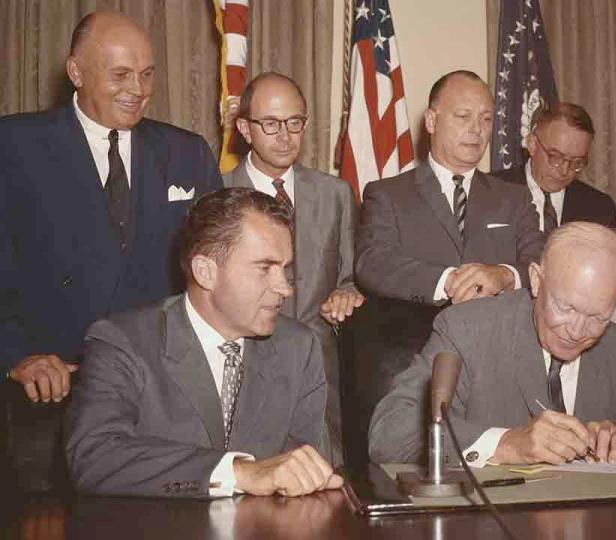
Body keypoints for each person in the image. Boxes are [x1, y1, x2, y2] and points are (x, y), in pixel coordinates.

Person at [0, 11, 222, 402]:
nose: (138, 89)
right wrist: (16, 355)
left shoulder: (188, 152)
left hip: (162, 386)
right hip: (53, 385)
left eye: (147, 74)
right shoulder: (14, 145)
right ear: (76, 72)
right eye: (120, 75)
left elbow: (217, 270)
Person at [66, 188, 341, 497]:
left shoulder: (298, 348)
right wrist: (237, 472)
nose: (285, 288)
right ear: (205, 272)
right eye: (265, 268)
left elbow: (309, 470)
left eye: (285, 269)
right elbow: (93, 457)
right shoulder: (123, 342)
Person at [350, 70, 544, 453]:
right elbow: (373, 261)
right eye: (464, 116)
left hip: (498, 361)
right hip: (415, 357)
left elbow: (541, 260)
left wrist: (503, 276)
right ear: (433, 121)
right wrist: (449, 280)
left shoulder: (514, 198)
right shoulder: (388, 194)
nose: (477, 130)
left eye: (486, 119)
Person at [369, 222, 616, 466]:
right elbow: (390, 435)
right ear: (536, 280)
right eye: (566, 308)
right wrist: (507, 444)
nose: (577, 331)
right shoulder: (467, 330)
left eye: (598, 316)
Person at [224, 72, 362, 465]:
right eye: (270, 123)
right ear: (245, 129)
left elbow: (351, 275)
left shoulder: (335, 194)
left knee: (325, 481)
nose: (285, 135)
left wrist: (346, 291)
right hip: (246, 365)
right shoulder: (216, 193)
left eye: (295, 122)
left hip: (319, 368)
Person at [492, 102, 616, 231]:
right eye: (555, 157)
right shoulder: (490, 193)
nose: (564, 171)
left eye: (576, 162)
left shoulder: (599, 208)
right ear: (532, 144)